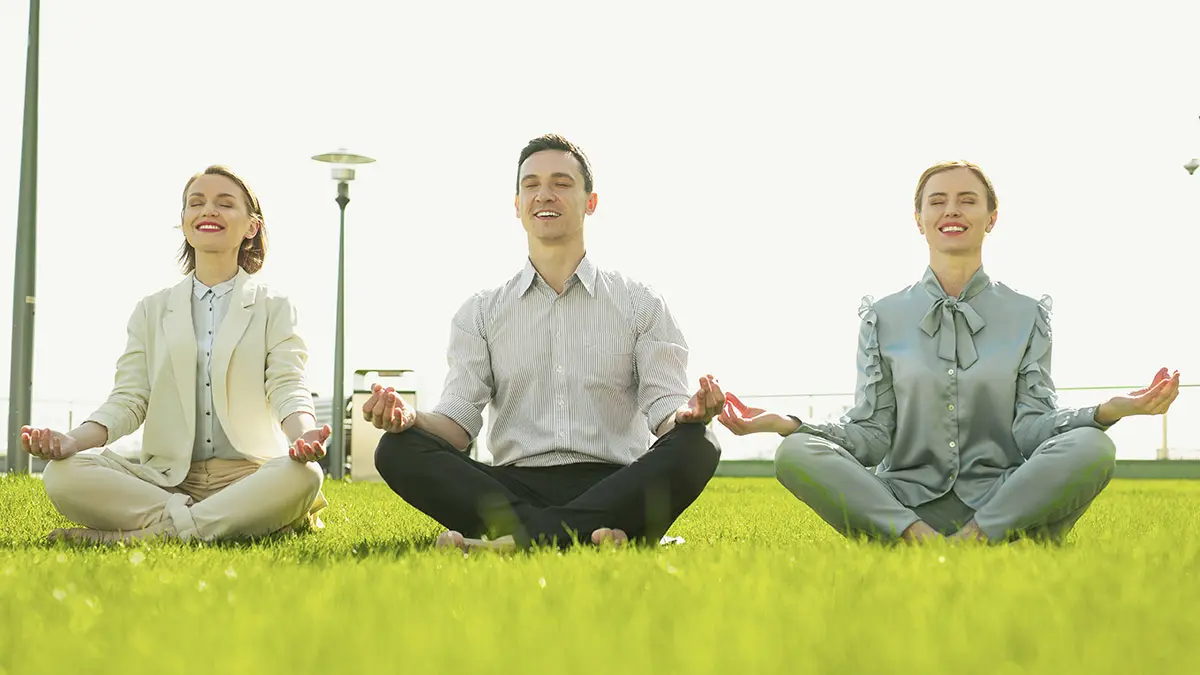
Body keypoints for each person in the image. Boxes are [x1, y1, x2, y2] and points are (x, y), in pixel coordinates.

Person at [718, 160, 1180, 544]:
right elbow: (871, 433)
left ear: (991, 217)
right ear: (918, 219)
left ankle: (977, 539)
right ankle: (916, 539)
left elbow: (1032, 428)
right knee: (795, 453)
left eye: (967, 200)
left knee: (1093, 445)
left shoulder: (1028, 315)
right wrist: (789, 425)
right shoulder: (882, 316)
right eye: (936, 201)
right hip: (903, 501)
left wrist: (1105, 411)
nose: (951, 210)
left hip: (999, 498)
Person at [367, 134, 723, 551]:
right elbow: (457, 426)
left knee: (699, 443)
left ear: (590, 202)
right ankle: (595, 537)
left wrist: (691, 413)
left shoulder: (640, 303)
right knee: (395, 450)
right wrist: (410, 418)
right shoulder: (481, 312)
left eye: (561, 182)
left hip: (613, 483)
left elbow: (666, 412)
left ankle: (513, 541)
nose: (544, 194)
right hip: (513, 487)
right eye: (531, 185)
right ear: (516, 205)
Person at [25, 165, 330, 544]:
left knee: (304, 476)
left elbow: (288, 386)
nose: (208, 211)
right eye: (196, 203)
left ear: (251, 227)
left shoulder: (275, 307)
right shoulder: (151, 310)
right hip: (165, 482)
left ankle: (136, 538)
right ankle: (225, 523)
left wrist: (304, 436)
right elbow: (130, 399)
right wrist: (71, 441)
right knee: (62, 473)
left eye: (225, 203)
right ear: (185, 221)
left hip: (249, 478)